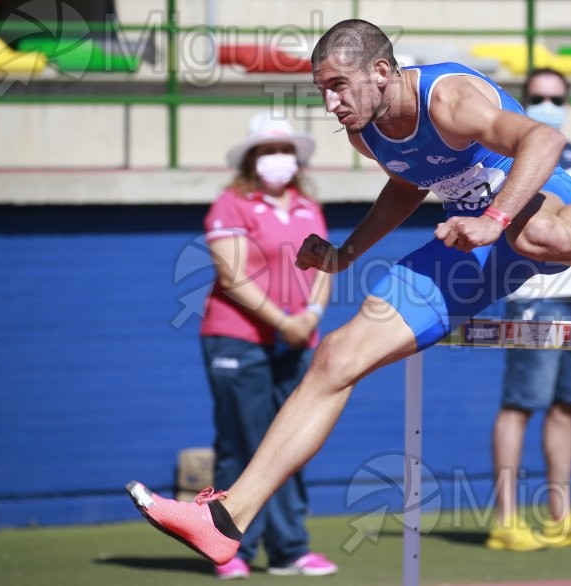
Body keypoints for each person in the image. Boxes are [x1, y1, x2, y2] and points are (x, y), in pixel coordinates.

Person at [125, 19, 571, 567]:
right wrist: (344, 255)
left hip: (534, 208)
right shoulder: (366, 132)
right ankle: (228, 517)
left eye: (339, 86)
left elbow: (545, 142)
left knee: (537, 234)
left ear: (382, 72)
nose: (332, 103)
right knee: (336, 356)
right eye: (322, 92)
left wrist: (494, 219)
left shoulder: (449, 99)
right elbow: (406, 186)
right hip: (469, 242)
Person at [487, 68, 571, 552]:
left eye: (557, 97)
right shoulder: (512, 150)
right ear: (523, 101)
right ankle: (506, 519)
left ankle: (560, 516)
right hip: (532, 296)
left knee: (567, 405)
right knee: (520, 405)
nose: (550, 104)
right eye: (540, 96)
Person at [197, 112, 336, 578]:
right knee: (243, 444)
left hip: (295, 340)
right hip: (238, 338)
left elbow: (323, 267)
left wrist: (311, 316)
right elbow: (231, 276)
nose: (278, 160)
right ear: (252, 159)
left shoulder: (307, 207)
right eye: (269, 151)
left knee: (291, 443)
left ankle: (290, 549)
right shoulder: (230, 205)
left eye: (285, 152)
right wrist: (283, 322)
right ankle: (231, 549)